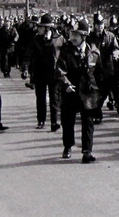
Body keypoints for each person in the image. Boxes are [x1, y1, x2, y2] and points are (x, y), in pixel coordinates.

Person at [55, 18, 104, 163]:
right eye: (71, 34)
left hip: (87, 93)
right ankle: (68, 146)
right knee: (67, 121)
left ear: (84, 36)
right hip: (70, 91)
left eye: (76, 34)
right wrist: (66, 84)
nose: (73, 37)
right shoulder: (65, 51)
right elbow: (59, 71)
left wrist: (98, 91)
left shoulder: (94, 53)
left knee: (88, 122)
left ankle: (87, 151)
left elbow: (100, 73)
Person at [29, 13, 64, 131]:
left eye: (40, 27)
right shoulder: (36, 39)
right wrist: (25, 67)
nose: (38, 29)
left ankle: (54, 122)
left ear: (47, 28)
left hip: (54, 73)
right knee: (41, 98)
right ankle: (41, 120)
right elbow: (30, 54)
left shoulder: (59, 38)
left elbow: (63, 55)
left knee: (54, 98)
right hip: (40, 72)